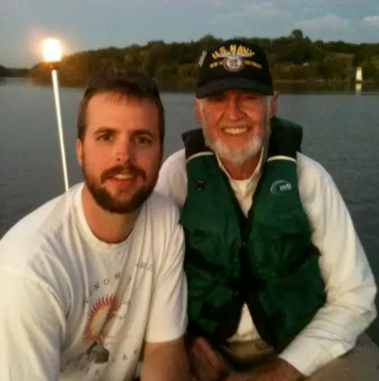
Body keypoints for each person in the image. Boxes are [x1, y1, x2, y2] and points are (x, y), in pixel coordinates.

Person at [156, 39, 378, 380]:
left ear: (271, 106)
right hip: (206, 349)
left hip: (300, 345)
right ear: (199, 110)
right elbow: (144, 278)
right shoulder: (175, 178)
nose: (233, 114)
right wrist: (183, 342)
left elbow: (355, 295)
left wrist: (283, 370)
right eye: (217, 99)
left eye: (248, 97)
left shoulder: (309, 179)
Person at [0, 69, 190, 381]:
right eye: (106, 137)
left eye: (142, 139)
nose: (124, 156)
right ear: (80, 151)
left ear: (160, 153)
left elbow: (163, 349)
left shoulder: (165, 219)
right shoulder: (30, 274)